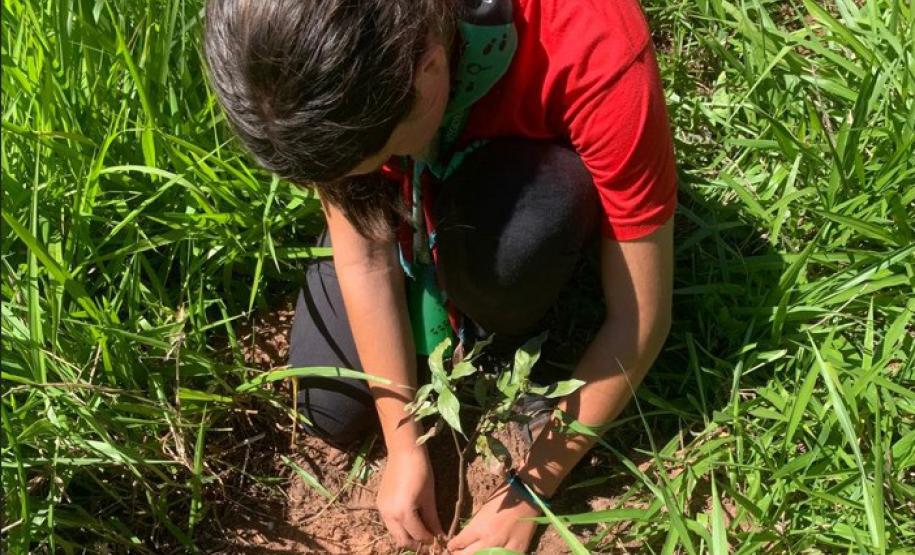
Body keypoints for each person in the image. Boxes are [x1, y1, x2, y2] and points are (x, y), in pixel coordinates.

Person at [204, 0, 676, 551]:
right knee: (326, 406)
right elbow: (363, 257)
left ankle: (501, 322)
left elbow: (641, 320)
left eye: (370, 156)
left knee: (518, 249)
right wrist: (402, 442)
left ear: (426, 69)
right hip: (399, 186)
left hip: (514, 188)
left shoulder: (594, 42)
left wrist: (528, 493)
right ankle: (419, 235)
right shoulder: (314, 51)